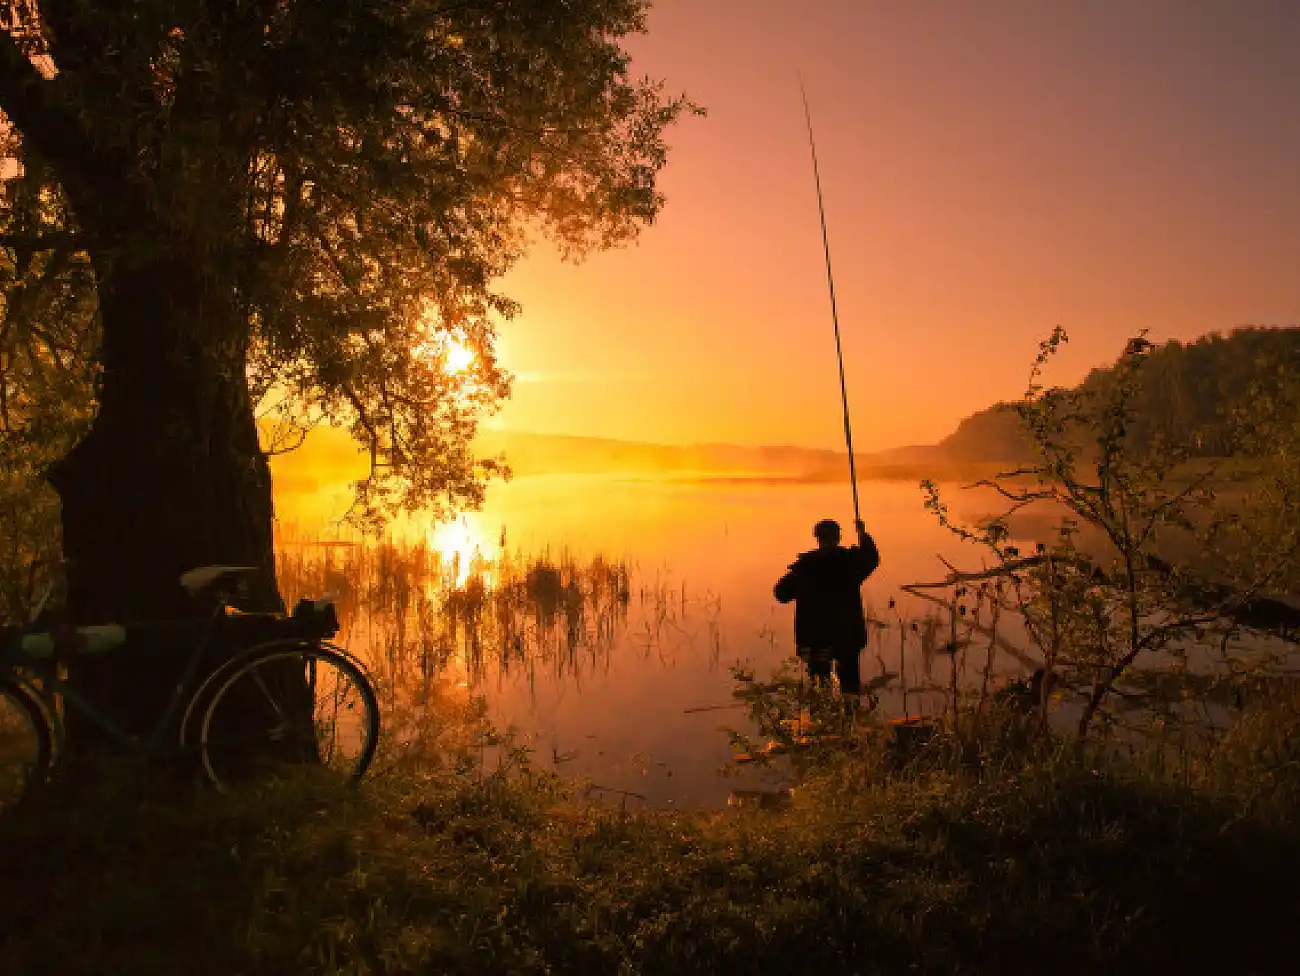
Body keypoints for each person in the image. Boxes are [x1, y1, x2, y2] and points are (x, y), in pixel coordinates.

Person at [774, 518, 881, 708]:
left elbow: (781, 594)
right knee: (849, 688)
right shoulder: (850, 562)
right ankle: (851, 725)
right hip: (846, 638)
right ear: (839, 537)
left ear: (817, 538)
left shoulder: (805, 567)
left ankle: (822, 730)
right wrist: (862, 535)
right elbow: (871, 559)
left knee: (819, 689)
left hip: (815, 639)